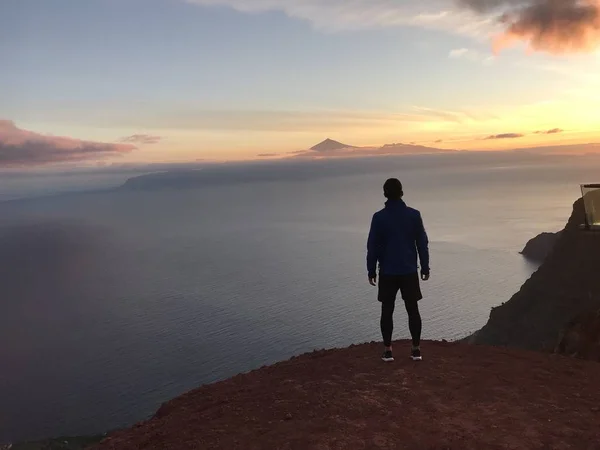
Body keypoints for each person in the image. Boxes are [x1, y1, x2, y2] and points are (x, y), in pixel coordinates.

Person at [367, 178, 430, 362]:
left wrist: (371, 270)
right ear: (401, 192)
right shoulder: (414, 215)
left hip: (387, 271)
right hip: (409, 270)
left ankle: (388, 351)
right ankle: (416, 350)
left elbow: (373, 247)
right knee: (413, 309)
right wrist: (425, 266)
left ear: (385, 194)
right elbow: (422, 243)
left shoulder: (379, 218)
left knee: (387, 310)